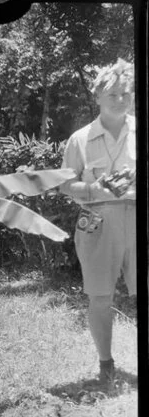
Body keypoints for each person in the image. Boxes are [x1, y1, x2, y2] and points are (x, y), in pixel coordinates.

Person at [59, 58, 136, 384]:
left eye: (126, 93)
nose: (120, 99)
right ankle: (106, 363)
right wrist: (94, 187)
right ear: (98, 96)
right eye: (113, 94)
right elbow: (65, 184)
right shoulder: (80, 139)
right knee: (101, 296)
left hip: (138, 217)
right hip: (97, 219)